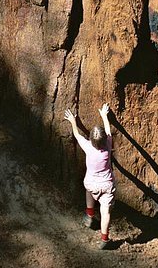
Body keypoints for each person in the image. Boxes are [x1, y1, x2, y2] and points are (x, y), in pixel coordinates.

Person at [64, 103, 116, 250]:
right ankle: (104, 240)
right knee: (105, 212)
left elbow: (77, 134)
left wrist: (73, 121)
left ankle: (89, 216)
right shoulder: (108, 146)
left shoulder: (87, 146)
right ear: (105, 141)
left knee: (89, 191)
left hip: (91, 183)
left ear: (91, 141)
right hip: (107, 185)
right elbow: (108, 130)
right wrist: (104, 115)